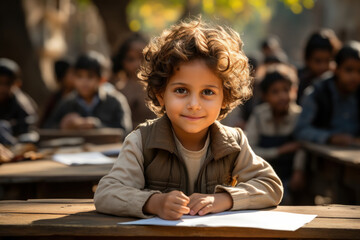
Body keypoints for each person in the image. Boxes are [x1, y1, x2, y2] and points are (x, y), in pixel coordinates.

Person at [94, 19, 283, 220]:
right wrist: (154, 202)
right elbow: (106, 193)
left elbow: (270, 186)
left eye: (208, 92)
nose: (194, 104)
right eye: (181, 90)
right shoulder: (141, 141)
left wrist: (223, 199)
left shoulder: (234, 142)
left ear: (224, 98)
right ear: (160, 94)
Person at [246, 64, 305, 204]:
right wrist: (279, 151)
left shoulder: (299, 116)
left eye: (286, 90)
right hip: (261, 174)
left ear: (294, 90)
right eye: (275, 92)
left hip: (290, 175)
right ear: (265, 96)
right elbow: (250, 150)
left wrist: (299, 171)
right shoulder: (259, 115)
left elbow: (302, 147)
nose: (282, 96)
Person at [44, 52, 131, 133]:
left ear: (101, 79)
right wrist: (62, 125)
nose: (84, 82)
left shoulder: (115, 101)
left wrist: (96, 125)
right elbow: (46, 130)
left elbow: (125, 132)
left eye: (90, 76)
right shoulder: (67, 103)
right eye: (79, 76)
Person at [295, 41, 360, 146]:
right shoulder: (318, 92)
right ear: (336, 69)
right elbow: (301, 131)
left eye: (359, 71)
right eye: (349, 70)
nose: (355, 77)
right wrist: (330, 137)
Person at [110, 33, 156, 128]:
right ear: (122, 61)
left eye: (142, 58)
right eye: (130, 59)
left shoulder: (158, 87)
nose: (137, 64)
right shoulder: (116, 90)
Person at [297, 29, 341, 104]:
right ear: (308, 60)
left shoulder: (339, 85)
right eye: (318, 61)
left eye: (328, 60)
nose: (323, 66)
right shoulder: (298, 83)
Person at [0, 58, 35, 145]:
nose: (2, 88)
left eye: (7, 83)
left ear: (17, 84)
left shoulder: (21, 102)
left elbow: (29, 125)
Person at [39, 59, 74, 127]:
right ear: (63, 77)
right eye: (71, 73)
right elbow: (46, 124)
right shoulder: (55, 100)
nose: (75, 77)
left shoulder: (79, 96)